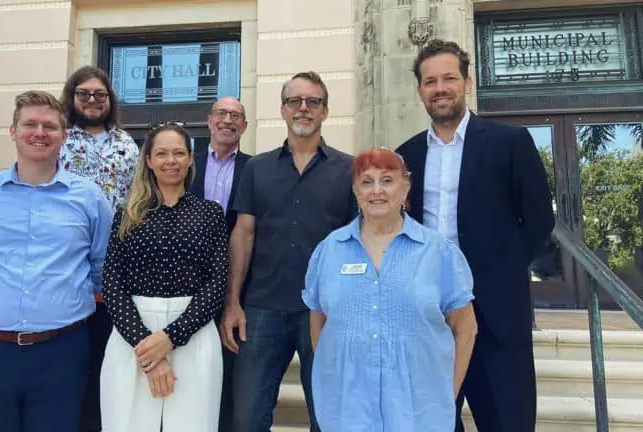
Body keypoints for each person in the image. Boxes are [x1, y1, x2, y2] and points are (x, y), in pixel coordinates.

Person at [395, 39, 555, 432]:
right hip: (427, 310)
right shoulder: (406, 156)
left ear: (467, 82)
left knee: (505, 418)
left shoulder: (510, 143)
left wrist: (503, 270)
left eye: (449, 78)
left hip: (496, 312)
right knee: (433, 420)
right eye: (430, 81)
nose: (440, 88)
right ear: (419, 90)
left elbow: (538, 220)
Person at [0, 90, 113, 432]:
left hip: (62, 353)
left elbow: (100, 267)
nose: (40, 133)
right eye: (30, 124)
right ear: (13, 131)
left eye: (50, 126)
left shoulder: (89, 199)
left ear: (64, 136)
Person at [302, 148, 478, 431]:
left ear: (405, 188)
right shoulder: (329, 251)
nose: (376, 191)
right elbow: (318, 321)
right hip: (347, 412)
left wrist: (448, 393)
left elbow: (466, 329)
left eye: (387, 180)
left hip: (419, 414)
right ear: (356, 191)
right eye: (366, 181)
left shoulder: (439, 252)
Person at [223, 71, 358, 432]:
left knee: (328, 417)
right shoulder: (256, 168)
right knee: (247, 418)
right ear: (282, 110)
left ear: (325, 111)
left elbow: (357, 244)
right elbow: (243, 234)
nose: (303, 108)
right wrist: (233, 303)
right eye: (294, 101)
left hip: (324, 310)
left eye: (312, 101)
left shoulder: (349, 170)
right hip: (262, 308)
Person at [99, 122, 228, 432]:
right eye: (162, 153)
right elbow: (112, 282)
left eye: (179, 153)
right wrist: (149, 350)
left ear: (190, 160)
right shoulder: (128, 214)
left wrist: (170, 338)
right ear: (149, 161)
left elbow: (217, 282)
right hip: (133, 337)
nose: (171, 160)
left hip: (193, 334)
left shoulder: (209, 213)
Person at [57, 65, 140, 432]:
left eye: (100, 95)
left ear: (110, 101)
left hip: (117, 267)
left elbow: (140, 198)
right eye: (84, 94)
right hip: (67, 267)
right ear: (72, 98)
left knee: (109, 359)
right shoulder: (58, 138)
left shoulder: (126, 143)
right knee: (71, 364)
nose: (92, 100)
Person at [188, 96, 251, 431]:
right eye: (222, 114)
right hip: (187, 289)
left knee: (229, 377)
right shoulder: (186, 166)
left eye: (236, 115)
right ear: (209, 121)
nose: (228, 120)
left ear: (244, 125)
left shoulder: (255, 168)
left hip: (238, 291)